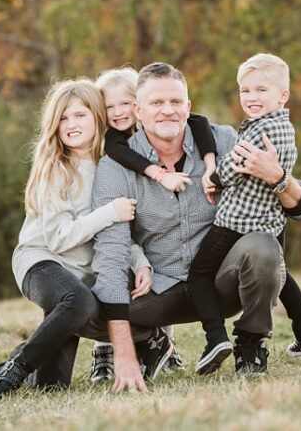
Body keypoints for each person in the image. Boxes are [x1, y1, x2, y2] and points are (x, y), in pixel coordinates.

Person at [89, 62, 301, 393]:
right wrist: (122, 353)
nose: (168, 111)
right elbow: (111, 251)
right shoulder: (115, 166)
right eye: (156, 103)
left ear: (188, 106)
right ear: (138, 110)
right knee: (84, 307)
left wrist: (278, 177)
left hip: (222, 284)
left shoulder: (225, 140)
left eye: (175, 102)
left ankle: (251, 341)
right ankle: (148, 342)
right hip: (158, 290)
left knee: (263, 246)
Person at [0, 79, 139, 399]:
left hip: (78, 275)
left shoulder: (111, 166)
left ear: (98, 118)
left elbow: (121, 232)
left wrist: (140, 262)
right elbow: (58, 238)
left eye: (80, 115)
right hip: (41, 261)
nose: (71, 124)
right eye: (64, 118)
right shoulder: (55, 167)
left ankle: (1, 370)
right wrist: (110, 212)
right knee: (80, 300)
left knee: (52, 386)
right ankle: (14, 370)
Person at [187, 53, 301, 374]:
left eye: (261, 90)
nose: (251, 98)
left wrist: (214, 178)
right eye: (245, 91)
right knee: (281, 273)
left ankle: (215, 337)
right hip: (269, 220)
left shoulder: (260, 131)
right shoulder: (283, 127)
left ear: (282, 95)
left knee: (199, 275)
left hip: (238, 220)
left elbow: (235, 166)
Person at [87, 66, 219, 381]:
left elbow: (198, 121)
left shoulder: (162, 126)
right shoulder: (113, 143)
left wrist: (211, 161)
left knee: (162, 257)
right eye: (109, 106)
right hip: (112, 218)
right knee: (114, 271)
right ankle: (103, 349)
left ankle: (165, 344)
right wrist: (160, 174)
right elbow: (121, 155)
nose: (118, 113)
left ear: (138, 104)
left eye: (125, 103)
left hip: (149, 231)